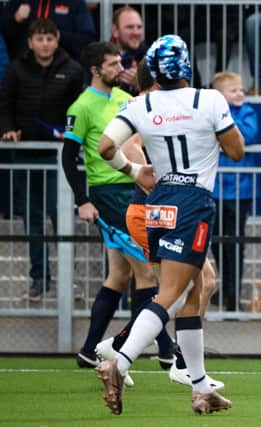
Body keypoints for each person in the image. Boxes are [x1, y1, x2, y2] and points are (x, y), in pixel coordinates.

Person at [96, 34, 243, 415]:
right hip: (192, 201)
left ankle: (198, 387)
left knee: (191, 293)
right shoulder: (209, 99)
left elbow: (105, 148)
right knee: (174, 294)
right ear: (187, 66)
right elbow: (236, 150)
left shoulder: (140, 104)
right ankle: (119, 359)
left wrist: (133, 170)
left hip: (157, 202)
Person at [61, 41, 171, 369]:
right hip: (108, 196)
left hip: (134, 190)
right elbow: (68, 158)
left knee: (119, 276)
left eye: (119, 62)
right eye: (111, 64)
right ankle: (165, 350)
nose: (119, 68)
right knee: (146, 271)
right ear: (95, 70)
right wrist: (82, 200)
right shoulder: (82, 107)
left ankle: (89, 349)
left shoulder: (126, 99)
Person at [0, 18, 84, 301]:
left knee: (60, 217)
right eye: (39, 39)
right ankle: (39, 279)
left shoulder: (72, 70)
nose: (45, 44)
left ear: (57, 39)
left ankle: (67, 282)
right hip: (25, 154)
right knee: (33, 219)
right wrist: (8, 129)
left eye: (49, 38)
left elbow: (79, 109)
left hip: (59, 158)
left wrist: (70, 135)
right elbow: (5, 104)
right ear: (30, 42)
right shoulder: (16, 69)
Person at [210, 71, 258, 311]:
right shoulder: (210, 113)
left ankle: (234, 295)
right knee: (216, 242)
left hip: (241, 190)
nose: (240, 93)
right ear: (219, 96)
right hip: (215, 189)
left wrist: (224, 121)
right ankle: (225, 286)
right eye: (233, 90)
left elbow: (247, 135)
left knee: (235, 243)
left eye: (241, 89)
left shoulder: (247, 112)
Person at [1, 0, 96, 61]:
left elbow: (87, 39)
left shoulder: (75, 3)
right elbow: (4, 36)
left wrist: (55, 36)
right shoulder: (18, 2)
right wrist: (15, 20)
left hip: (64, 71)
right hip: (24, 70)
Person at [111, 5, 147, 95]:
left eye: (139, 27)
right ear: (115, 30)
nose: (136, 32)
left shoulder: (150, 57)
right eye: (130, 27)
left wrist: (141, 84)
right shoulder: (102, 57)